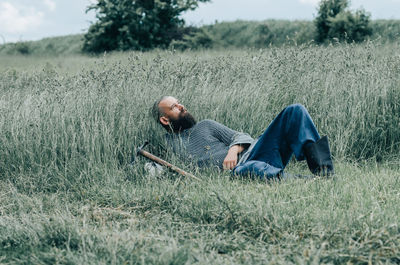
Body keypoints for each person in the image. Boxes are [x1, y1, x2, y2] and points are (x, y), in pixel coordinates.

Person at [151, 96, 334, 179]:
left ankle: (324, 172)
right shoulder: (167, 145)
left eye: (179, 102)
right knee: (247, 169)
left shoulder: (206, 125)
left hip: (257, 152)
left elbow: (241, 136)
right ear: (164, 119)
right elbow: (153, 167)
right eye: (174, 106)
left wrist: (233, 150)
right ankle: (305, 181)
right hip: (240, 170)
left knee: (295, 110)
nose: (182, 106)